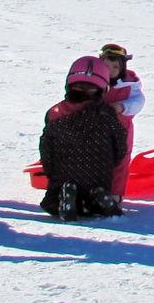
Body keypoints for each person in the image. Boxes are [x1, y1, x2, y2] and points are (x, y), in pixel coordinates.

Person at [38, 57, 127, 222]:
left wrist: (51, 171)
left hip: (64, 172)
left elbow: (46, 147)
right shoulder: (107, 114)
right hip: (99, 172)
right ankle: (98, 195)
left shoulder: (55, 112)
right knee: (94, 194)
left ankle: (66, 194)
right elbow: (120, 144)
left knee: (57, 191)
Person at [97, 43, 143, 197]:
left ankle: (115, 196)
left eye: (114, 67)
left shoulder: (130, 85)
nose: (109, 71)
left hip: (121, 130)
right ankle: (91, 192)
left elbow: (139, 102)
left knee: (120, 161)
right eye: (105, 66)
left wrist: (123, 106)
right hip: (94, 128)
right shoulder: (94, 82)